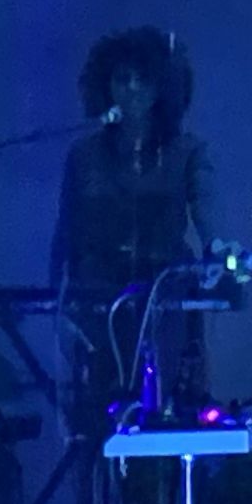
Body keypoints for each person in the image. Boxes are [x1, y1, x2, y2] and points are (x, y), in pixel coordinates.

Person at [50, 25, 214, 415]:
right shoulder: (83, 155)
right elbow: (65, 235)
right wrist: (57, 307)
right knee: (97, 410)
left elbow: (207, 209)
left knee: (165, 405)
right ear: (105, 86)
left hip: (164, 293)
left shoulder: (187, 151)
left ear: (162, 88)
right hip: (97, 296)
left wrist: (219, 247)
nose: (132, 89)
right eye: (122, 79)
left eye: (143, 79)